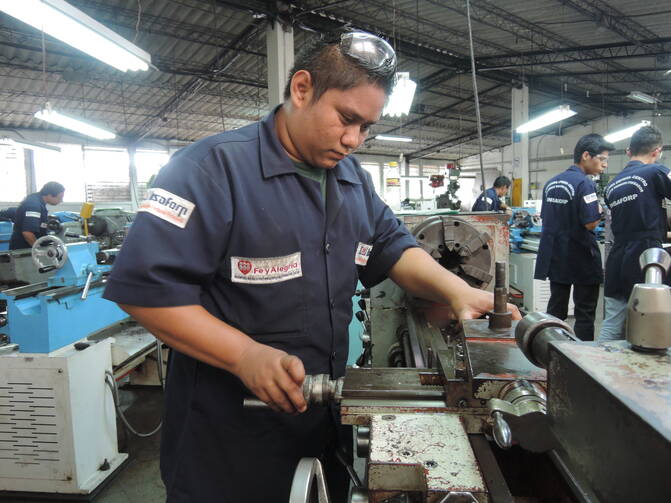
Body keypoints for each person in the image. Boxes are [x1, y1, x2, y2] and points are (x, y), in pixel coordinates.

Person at [103, 31, 520, 503]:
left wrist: (457, 291)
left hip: (321, 425)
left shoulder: (350, 179)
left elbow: (391, 246)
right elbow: (144, 290)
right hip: (227, 443)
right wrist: (244, 355)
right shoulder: (208, 171)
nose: (353, 140)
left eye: (366, 128)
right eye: (346, 119)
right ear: (301, 89)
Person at [534, 134, 614, 341]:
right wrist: (602, 211)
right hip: (581, 257)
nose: (604, 165)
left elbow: (546, 217)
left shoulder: (551, 183)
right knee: (585, 313)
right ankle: (582, 361)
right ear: (586, 155)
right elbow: (590, 223)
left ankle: (549, 349)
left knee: (556, 310)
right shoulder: (585, 184)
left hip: (556, 256)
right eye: (602, 159)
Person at [600, 125, 671, 341]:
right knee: (652, 320)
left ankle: (599, 367)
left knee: (613, 322)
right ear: (657, 151)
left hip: (617, 257)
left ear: (629, 151)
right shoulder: (657, 171)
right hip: (648, 258)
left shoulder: (611, 185)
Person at [9, 181, 65, 250]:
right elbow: (27, 233)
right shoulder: (34, 206)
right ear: (50, 195)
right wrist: (40, 251)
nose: (61, 201)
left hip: (29, 247)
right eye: (60, 198)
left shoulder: (38, 201)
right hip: (23, 250)